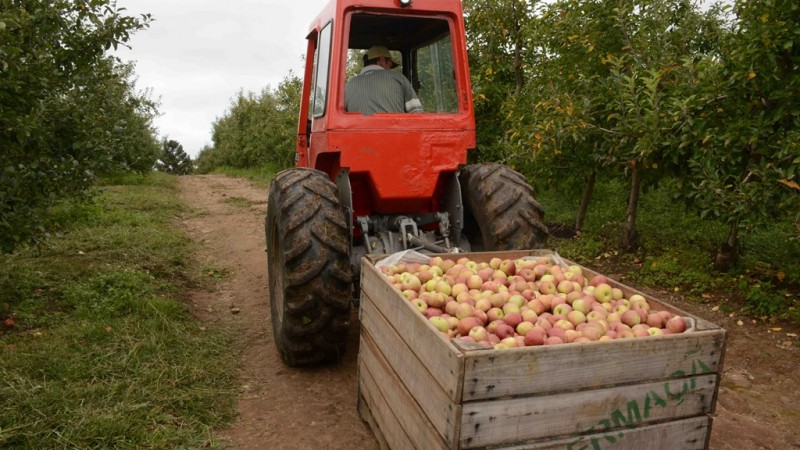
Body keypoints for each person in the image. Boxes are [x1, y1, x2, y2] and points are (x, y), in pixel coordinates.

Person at [344, 45, 423, 115]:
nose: (389, 69)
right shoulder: (398, 78)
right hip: (395, 131)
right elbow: (417, 113)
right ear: (381, 60)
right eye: (390, 65)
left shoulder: (348, 85)